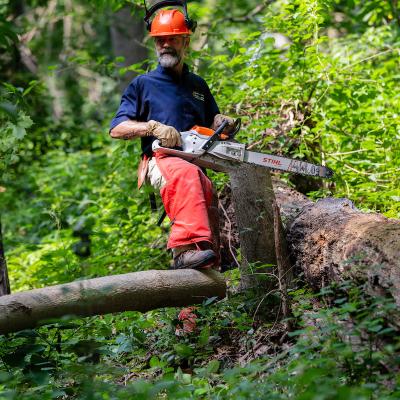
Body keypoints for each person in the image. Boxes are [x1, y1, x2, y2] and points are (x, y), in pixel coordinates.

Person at [109, 7, 234, 270]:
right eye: (160, 40)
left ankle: (197, 305)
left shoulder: (197, 85)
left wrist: (222, 121)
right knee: (187, 175)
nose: (165, 45)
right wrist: (152, 127)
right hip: (161, 160)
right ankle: (183, 250)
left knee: (206, 204)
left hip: (196, 162)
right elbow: (117, 128)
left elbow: (212, 121)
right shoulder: (143, 84)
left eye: (172, 39)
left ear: (185, 41)